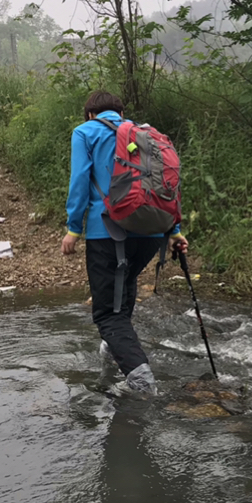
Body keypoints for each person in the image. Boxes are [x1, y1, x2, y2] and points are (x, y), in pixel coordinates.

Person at [61, 90, 187, 396]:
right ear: (120, 113)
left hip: (108, 231)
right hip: (152, 232)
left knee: (107, 314)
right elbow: (166, 184)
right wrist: (175, 230)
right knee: (125, 285)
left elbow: (80, 180)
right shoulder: (145, 134)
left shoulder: (85, 132)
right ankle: (113, 353)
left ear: (89, 114)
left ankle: (142, 383)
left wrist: (74, 229)